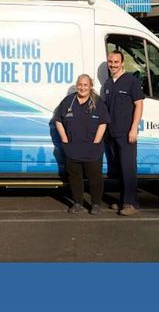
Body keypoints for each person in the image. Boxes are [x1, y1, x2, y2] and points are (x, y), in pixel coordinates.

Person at [55, 74, 109, 215]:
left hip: (92, 149)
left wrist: (96, 141)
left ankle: (96, 204)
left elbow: (103, 123)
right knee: (75, 178)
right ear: (76, 85)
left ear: (90, 86)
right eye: (80, 84)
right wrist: (65, 139)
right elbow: (58, 120)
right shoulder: (68, 101)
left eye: (85, 85)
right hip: (72, 148)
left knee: (95, 178)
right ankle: (78, 203)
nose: (82, 87)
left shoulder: (97, 102)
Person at [102, 50, 145, 216]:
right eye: (110, 62)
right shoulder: (108, 84)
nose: (113, 65)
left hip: (126, 132)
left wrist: (134, 128)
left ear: (122, 63)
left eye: (116, 62)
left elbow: (139, 105)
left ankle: (131, 203)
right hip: (111, 133)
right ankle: (122, 200)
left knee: (128, 168)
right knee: (118, 169)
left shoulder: (131, 82)